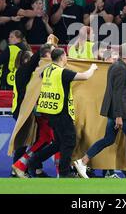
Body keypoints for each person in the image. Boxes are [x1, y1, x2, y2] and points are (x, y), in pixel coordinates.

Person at [73, 44, 126, 179]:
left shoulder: (116, 66)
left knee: (108, 139)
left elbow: (121, 92)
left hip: (118, 110)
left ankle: (82, 161)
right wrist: (119, 116)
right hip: (119, 112)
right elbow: (117, 93)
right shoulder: (121, 68)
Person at [28, 48, 98, 178]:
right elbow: (85, 76)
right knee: (69, 141)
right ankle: (65, 172)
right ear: (61, 57)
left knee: (58, 143)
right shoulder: (62, 72)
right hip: (61, 111)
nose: (66, 58)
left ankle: (34, 161)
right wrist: (92, 68)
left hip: (50, 112)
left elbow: (41, 75)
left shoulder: (47, 71)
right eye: (65, 56)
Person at [11, 44, 55, 178]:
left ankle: (34, 169)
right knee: (25, 142)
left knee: (40, 139)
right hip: (25, 110)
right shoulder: (24, 72)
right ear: (26, 61)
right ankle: (18, 167)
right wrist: (47, 46)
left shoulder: (30, 73)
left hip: (31, 110)